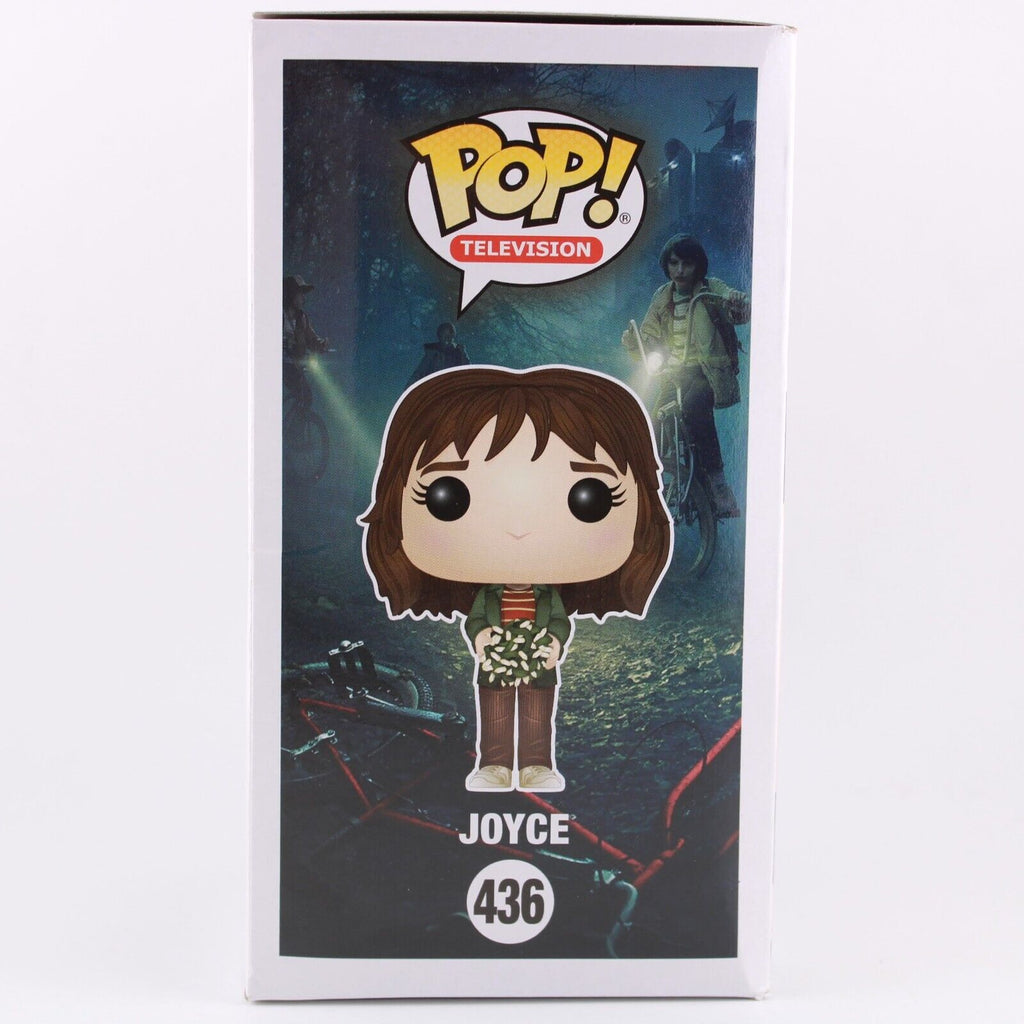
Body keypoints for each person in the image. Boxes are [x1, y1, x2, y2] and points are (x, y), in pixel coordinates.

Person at [361, 366, 671, 793]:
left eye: (591, 499)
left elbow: (558, 620)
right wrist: (482, 636)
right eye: (448, 496)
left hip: (539, 662)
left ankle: (537, 764)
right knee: (496, 712)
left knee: (536, 713)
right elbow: (477, 618)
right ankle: (494, 764)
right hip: (495, 662)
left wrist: (554, 643)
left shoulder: (547, 595)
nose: (519, 530)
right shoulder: (489, 594)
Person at [623, 234, 750, 517]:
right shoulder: (662, 296)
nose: (680, 270)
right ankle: (658, 480)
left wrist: (737, 302)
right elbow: (647, 337)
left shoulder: (710, 289)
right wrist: (634, 342)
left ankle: (719, 486)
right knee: (655, 422)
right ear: (666, 265)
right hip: (673, 374)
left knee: (694, 408)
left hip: (705, 373)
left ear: (698, 266)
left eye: (687, 264)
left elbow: (736, 311)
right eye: (674, 263)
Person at [283, 274, 328, 391]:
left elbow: (310, 338)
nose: (303, 298)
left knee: (305, 396)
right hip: (279, 367)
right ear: (291, 294)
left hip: (295, 367)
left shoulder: (301, 317)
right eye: (300, 294)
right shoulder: (277, 314)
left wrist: (320, 344)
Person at [406, 321, 469, 386]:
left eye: (450, 335)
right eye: (444, 335)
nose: (447, 339)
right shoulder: (432, 354)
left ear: (453, 336)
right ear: (439, 336)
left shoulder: (459, 352)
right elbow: (419, 373)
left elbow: (468, 372)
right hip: (436, 388)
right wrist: (409, 387)